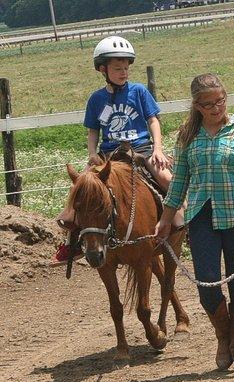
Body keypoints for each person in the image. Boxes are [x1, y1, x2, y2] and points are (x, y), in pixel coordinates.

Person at [155, 73, 234, 372]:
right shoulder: (188, 136)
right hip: (201, 217)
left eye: (220, 101)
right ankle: (224, 337)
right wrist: (166, 220)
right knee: (206, 282)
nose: (216, 108)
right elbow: (179, 181)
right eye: (208, 104)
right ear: (196, 105)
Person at [51, 35, 184, 266]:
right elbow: (93, 130)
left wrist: (158, 150)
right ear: (102, 69)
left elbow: (153, 120)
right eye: (117, 68)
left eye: (125, 68)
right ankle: (71, 241)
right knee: (80, 188)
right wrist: (92, 153)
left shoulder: (139, 92)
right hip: (109, 155)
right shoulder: (97, 99)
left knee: (169, 180)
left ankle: (183, 225)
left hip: (141, 150)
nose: (123, 72)